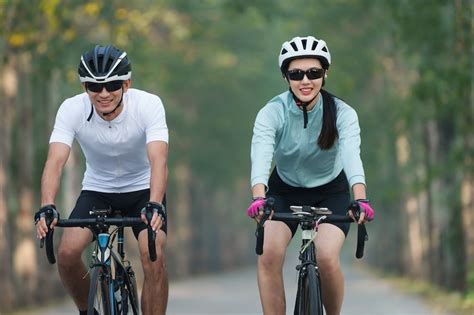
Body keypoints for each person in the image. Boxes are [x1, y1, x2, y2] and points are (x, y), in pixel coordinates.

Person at [34, 45, 169, 315]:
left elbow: (159, 160)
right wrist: (47, 205)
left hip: (143, 189)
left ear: (126, 84)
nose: (104, 93)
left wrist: (155, 203)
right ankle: (89, 310)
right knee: (67, 254)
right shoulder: (71, 109)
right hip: (98, 190)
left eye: (112, 84)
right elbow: (55, 161)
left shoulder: (149, 104)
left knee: (151, 254)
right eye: (95, 87)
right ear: (85, 87)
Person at [246, 36, 375, 315]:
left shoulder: (343, 113)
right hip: (284, 190)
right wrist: (259, 197)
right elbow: (261, 153)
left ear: (325, 74)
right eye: (296, 74)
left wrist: (360, 199)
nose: (306, 80)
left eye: (314, 73)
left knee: (327, 257)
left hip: (332, 191)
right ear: (286, 77)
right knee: (268, 255)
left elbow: (353, 156)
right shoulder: (272, 112)